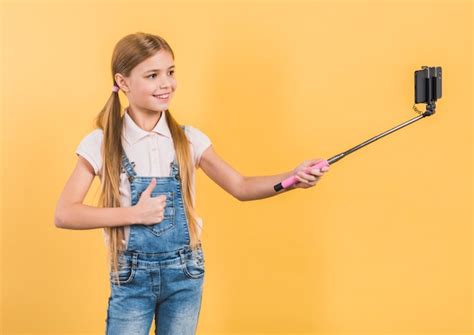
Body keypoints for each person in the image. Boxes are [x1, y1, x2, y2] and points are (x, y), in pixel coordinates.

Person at [54, 32, 330, 335]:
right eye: (152, 75)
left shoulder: (188, 140)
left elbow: (241, 186)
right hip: (131, 276)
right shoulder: (102, 143)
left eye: (171, 72)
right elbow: (65, 213)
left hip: (185, 274)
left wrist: (292, 178)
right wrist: (135, 214)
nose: (166, 84)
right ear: (123, 82)